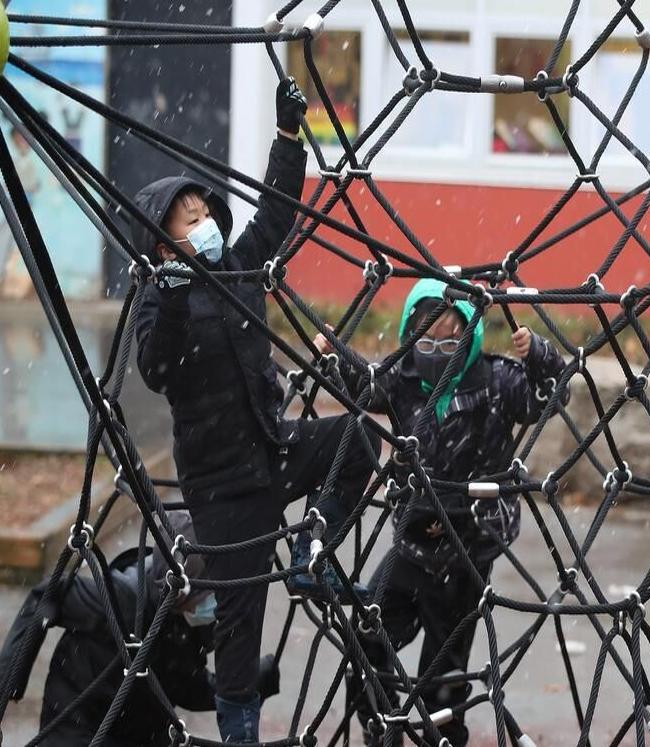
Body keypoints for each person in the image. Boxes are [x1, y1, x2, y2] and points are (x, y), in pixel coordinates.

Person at [132, 78, 382, 742]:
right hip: (222, 486)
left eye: (204, 212)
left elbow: (274, 214)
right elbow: (155, 368)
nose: (206, 223)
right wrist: (178, 290)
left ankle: (313, 545)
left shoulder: (239, 268)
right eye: (189, 219)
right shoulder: (160, 301)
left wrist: (288, 138)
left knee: (357, 441)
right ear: (165, 244)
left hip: (273, 445)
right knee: (240, 630)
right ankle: (240, 731)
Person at [315, 278, 569, 747]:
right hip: (411, 544)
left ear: (470, 338)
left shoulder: (496, 382)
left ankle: (442, 735)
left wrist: (537, 354)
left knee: (444, 682)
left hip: (467, 552)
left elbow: (551, 395)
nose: (437, 349)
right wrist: (332, 353)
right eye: (426, 339)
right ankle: (381, 726)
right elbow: (362, 386)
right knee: (367, 637)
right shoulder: (403, 380)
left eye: (451, 339)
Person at [0, 513, 280, 746]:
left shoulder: (191, 623)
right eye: (210, 597)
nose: (216, 606)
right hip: (78, 725)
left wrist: (248, 684)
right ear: (182, 592)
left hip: (142, 731)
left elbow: (187, 686)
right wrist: (8, 681)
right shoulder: (121, 600)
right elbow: (46, 595)